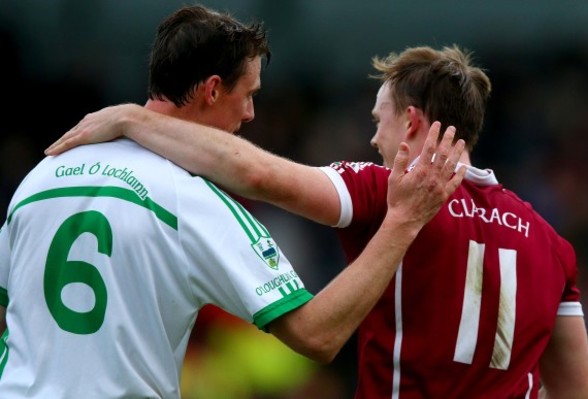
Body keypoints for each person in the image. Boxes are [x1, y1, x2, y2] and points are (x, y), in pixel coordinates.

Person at [45, 44, 588, 398]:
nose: (373, 139)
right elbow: (574, 391)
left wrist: (131, 118)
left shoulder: (386, 192)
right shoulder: (551, 245)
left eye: (378, 122)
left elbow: (257, 174)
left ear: (410, 123)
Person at [0, 6, 467, 398]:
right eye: (248, 96)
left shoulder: (39, 177)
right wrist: (402, 221)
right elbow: (317, 335)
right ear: (212, 89)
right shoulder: (190, 199)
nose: (250, 114)